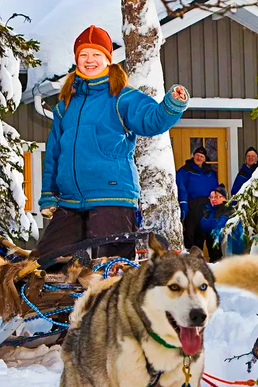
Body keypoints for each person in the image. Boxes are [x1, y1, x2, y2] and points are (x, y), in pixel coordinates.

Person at [38, 25, 189, 261]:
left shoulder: (121, 97)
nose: (90, 60)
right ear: (76, 59)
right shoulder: (65, 105)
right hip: (70, 200)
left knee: (110, 266)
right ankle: (60, 299)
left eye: (96, 55)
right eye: (84, 55)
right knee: (47, 260)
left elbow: (151, 121)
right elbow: (55, 154)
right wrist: (49, 194)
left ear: (107, 59)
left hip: (112, 196)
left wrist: (171, 105)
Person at [176, 146, 220, 248]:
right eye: (197, 155)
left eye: (202, 156)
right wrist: (184, 206)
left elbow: (216, 189)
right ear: (193, 156)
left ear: (205, 159)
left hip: (207, 208)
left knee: (207, 236)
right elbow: (181, 189)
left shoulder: (210, 173)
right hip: (192, 207)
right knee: (191, 237)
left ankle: (212, 261)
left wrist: (217, 205)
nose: (199, 158)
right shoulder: (185, 171)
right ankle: (191, 261)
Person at [197, 184, 245, 261]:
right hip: (213, 254)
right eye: (211, 197)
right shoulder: (209, 211)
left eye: (216, 197)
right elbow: (202, 227)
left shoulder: (229, 211)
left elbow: (219, 228)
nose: (213, 199)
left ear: (225, 198)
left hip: (227, 255)